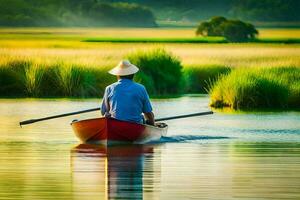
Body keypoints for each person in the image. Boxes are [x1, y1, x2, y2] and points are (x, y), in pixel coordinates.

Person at [101, 60, 155, 125]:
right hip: (136, 125)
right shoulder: (141, 88)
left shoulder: (109, 88)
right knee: (147, 118)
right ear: (133, 74)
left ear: (118, 75)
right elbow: (148, 112)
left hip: (115, 124)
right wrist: (153, 124)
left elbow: (103, 112)